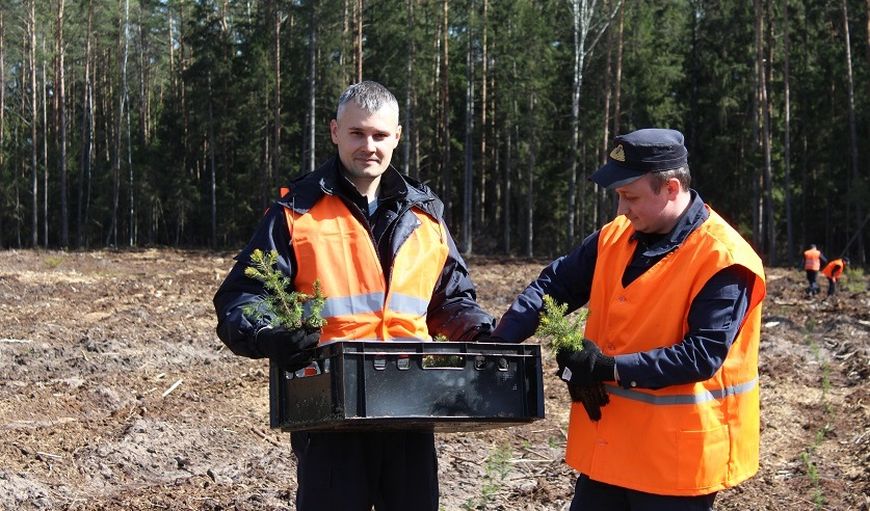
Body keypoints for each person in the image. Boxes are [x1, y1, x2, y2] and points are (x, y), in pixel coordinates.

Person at [213, 80, 495, 511]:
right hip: (329, 409)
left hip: (410, 404)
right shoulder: (297, 211)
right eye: (357, 133)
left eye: (380, 135)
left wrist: (478, 332)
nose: (369, 146)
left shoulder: (425, 214)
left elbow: (451, 299)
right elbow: (241, 297)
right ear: (334, 132)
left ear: (397, 137)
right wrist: (269, 335)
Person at [490, 128, 766, 511]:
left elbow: (701, 355)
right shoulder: (615, 236)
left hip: (677, 466)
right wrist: (496, 344)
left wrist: (605, 367)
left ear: (670, 188)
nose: (621, 210)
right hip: (610, 452)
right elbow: (556, 285)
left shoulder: (723, 258)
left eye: (630, 196)